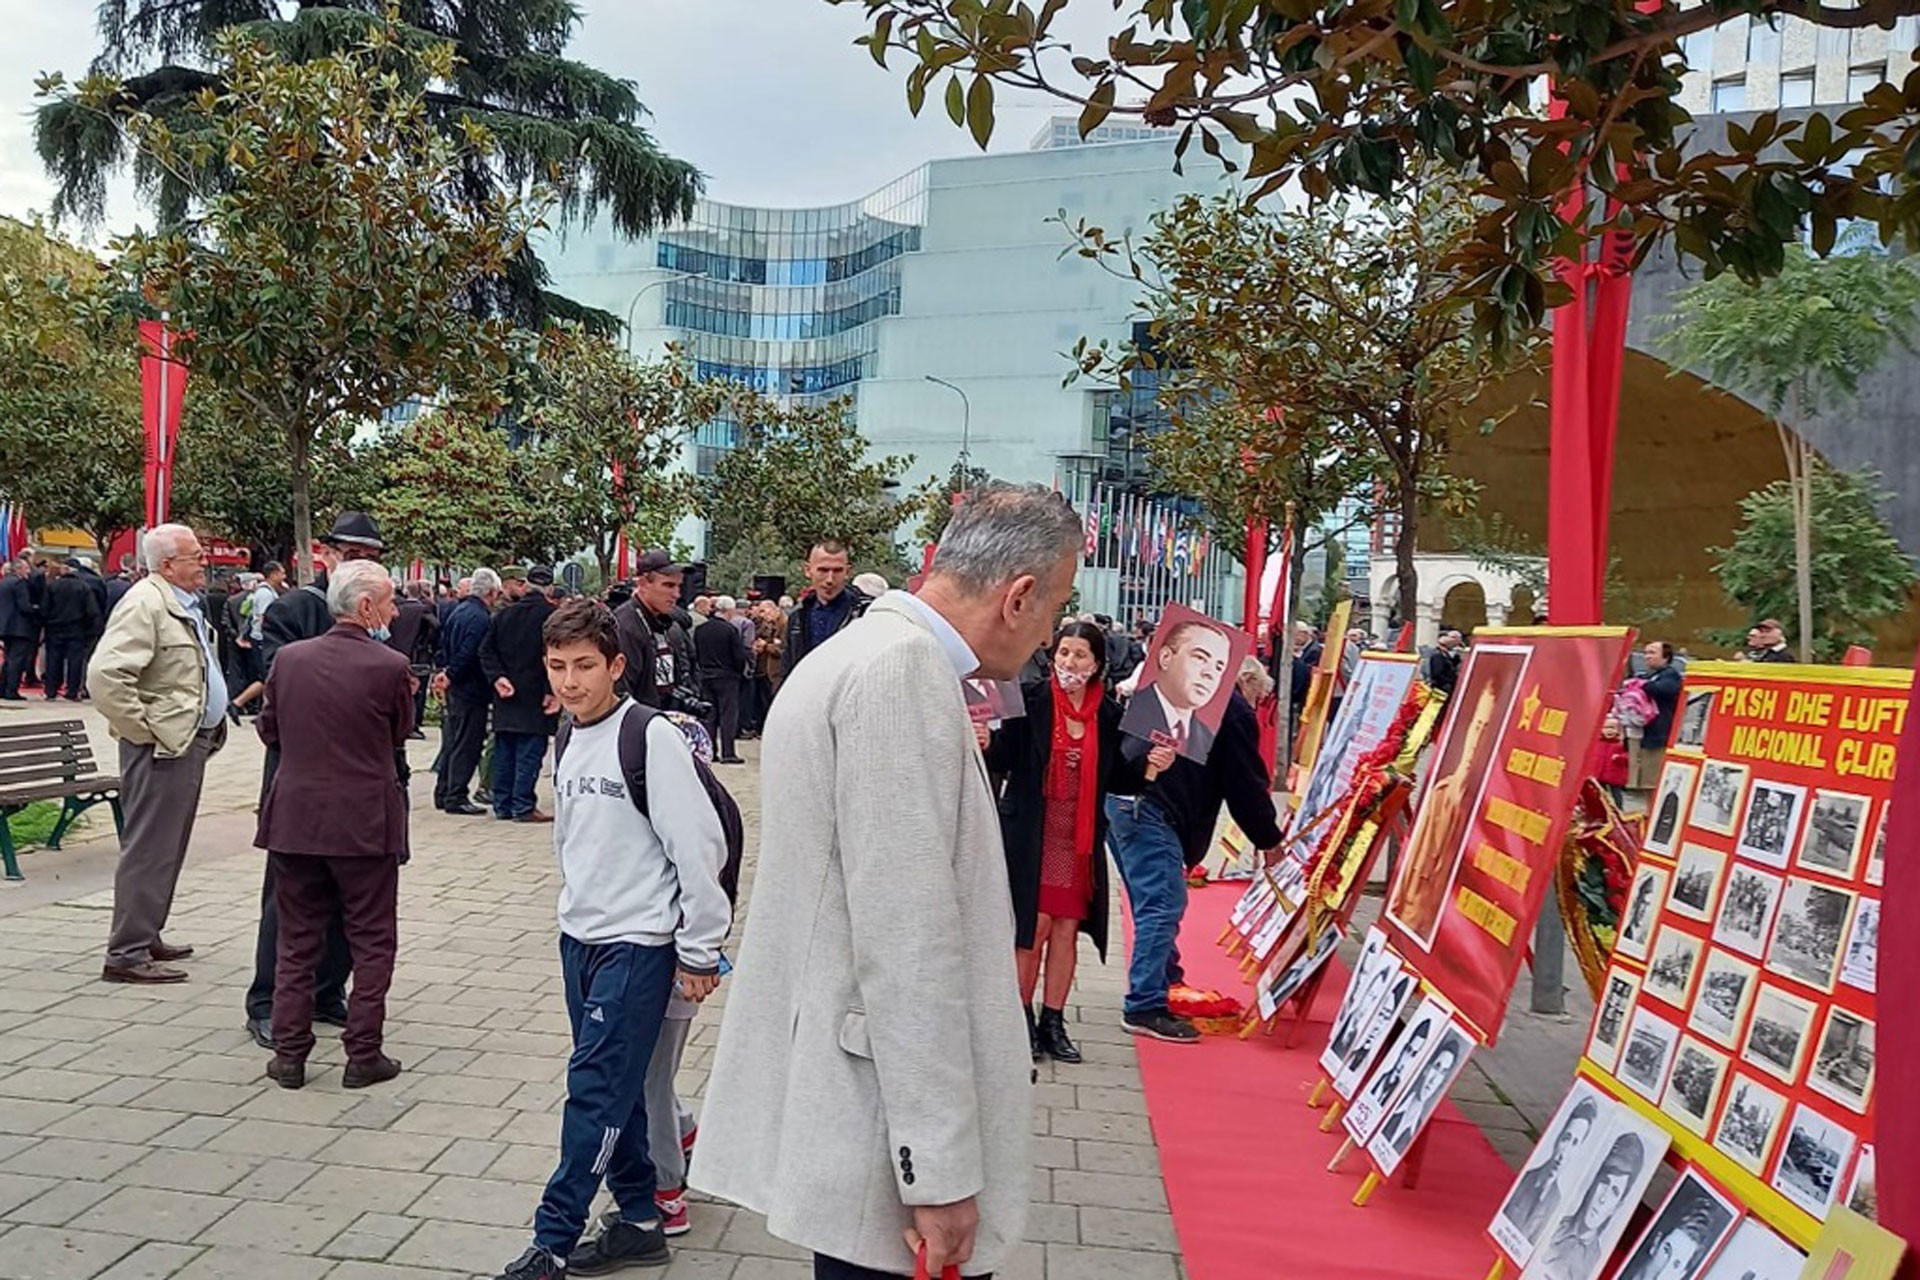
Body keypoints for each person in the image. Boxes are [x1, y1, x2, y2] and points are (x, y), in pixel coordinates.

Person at [695, 485, 1081, 1279]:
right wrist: (936, 1169)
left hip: (862, 1093)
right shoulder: (897, 671)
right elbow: (908, 937)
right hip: (880, 1116)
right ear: (1019, 596)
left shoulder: (863, 654)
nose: (1051, 636)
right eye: (1058, 607)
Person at [490, 599, 729, 1280]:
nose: (570, 682)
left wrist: (699, 948)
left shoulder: (649, 736)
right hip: (581, 937)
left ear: (617, 666)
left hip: (639, 944)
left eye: (585, 666)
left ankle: (552, 1241)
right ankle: (640, 1221)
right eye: (558, 666)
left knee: (593, 1092)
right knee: (618, 1090)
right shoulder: (567, 735)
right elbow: (576, 840)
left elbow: (699, 846)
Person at [255, 560, 412, 1091]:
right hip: (364, 821)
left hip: (296, 817)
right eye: (389, 602)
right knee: (371, 939)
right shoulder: (390, 666)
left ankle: (290, 1053)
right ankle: (362, 1052)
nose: (394, 611)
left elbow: (270, 729)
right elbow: (399, 732)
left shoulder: (290, 660)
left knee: (297, 939)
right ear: (366, 607)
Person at [985, 621, 1161, 1064]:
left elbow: (1119, 777)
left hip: (1078, 843)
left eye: (1080, 656)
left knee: (1065, 932)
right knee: (1033, 930)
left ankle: (1053, 1021)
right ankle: (1018, 1019)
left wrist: (1153, 766)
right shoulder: (1030, 702)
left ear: (1097, 664)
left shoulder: (1109, 715)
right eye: (1064, 653)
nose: (1070, 663)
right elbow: (1005, 757)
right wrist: (987, 742)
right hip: (1033, 835)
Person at [246, 516, 386, 1046]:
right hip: (303, 775)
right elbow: (275, 691)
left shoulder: (379, 612)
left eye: (369, 554)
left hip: (363, 781)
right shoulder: (295, 609)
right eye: (350, 553)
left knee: (355, 899)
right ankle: (268, 1001)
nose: (360, 562)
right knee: (288, 898)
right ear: (326, 554)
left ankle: (328, 990)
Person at [1108, 654, 1285, 1042]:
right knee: (1162, 903)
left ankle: (1164, 979)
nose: (1257, 705)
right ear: (1248, 683)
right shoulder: (1233, 708)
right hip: (1153, 808)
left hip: (1123, 802)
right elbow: (1244, 784)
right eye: (1258, 696)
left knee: (1151, 900)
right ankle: (1144, 1005)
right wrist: (1270, 839)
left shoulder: (1175, 685)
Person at [88, 524, 229, 984]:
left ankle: (145, 933)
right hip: (162, 748)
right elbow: (106, 677)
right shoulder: (145, 603)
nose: (203, 561)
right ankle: (125, 953)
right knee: (150, 848)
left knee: (167, 846)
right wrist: (146, 731)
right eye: (194, 555)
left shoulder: (177, 602)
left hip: (184, 743)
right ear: (168, 564)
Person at [481, 565, 560, 822]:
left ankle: (503, 804)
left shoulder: (504, 615)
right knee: (530, 752)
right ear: (549, 587)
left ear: (526, 585)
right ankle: (523, 805)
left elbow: (486, 651)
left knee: (505, 749)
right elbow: (556, 657)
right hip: (537, 694)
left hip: (507, 693)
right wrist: (553, 690)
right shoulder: (553, 617)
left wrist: (498, 678)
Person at [433, 567, 502, 815]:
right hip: (470, 688)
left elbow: (444, 643)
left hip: (456, 687)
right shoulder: (480, 617)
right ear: (492, 592)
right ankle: (456, 796)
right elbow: (470, 652)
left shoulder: (458, 610)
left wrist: (444, 671)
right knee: (467, 744)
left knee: (453, 740)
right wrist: (451, 674)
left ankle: (443, 791)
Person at [1535, 1134, 1646, 1280]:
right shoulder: (1552, 1224)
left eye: (1614, 1192)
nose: (1603, 1198)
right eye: (1604, 1182)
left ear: (1617, 1206)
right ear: (1593, 1183)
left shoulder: (1595, 1260)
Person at [1127, 619, 1232, 760]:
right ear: (1166, 657)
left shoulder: (1207, 735)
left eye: (1219, 667)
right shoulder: (1132, 713)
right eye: (1200, 658)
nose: (1209, 673)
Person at [612, 551, 702, 715]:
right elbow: (620, 692)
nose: (676, 594)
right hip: (638, 729)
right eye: (668, 585)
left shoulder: (665, 623)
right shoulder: (626, 625)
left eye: (678, 586)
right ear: (644, 583)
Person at [1503, 1096, 1599, 1247]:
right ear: (1558, 1138)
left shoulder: (1556, 1202)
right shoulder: (1526, 1179)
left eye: (1575, 1143)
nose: (1564, 1152)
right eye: (1566, 1138)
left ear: (1578, 1150)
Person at [781, 539, 871, 675]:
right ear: (808, 570)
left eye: (837, 571)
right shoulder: (797, 617)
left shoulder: (866, 614)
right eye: (823, 570)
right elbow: (787, 670)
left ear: (848, 572)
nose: (830, 579)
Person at [693, 595, 749, 765]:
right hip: (727, 677)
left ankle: (710, 751)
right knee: (728, 715)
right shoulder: (730, 630)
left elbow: (695, 652)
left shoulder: (701, 629)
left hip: (706, 675)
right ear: (729, 610)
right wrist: (739, 672)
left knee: (710, 715)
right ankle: (728, 752)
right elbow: (738, 656)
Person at [230, 562, 285, 717]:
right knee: (267, 676)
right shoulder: (265, 594)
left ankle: (256, 707)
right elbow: (263, 617)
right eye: (282, 573)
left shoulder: (268, 592)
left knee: (268, 677)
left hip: (261, 638)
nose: (284, 576)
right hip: (262, 639)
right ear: (273, 574)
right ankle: (238, 703)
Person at [42, 558, 102, 701]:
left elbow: (44, 608)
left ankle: (51, 690)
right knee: (75, 661)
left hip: (54, 627)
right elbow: (92, 610)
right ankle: (72, 691)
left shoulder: (52, 586)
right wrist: (90, 628)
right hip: (76, 628)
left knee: (53, 659)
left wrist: (45, 623)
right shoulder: (83, 587)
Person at [388, 580, 441, 739]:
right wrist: (428, 642)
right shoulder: (424, 610)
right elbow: (436, 626)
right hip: (419, 655)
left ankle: (400, 723)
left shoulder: (397, 609)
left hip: (398, 652)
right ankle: (413, 724)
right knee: (418, 693)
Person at [1631, 641, 1683, 792]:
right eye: (1646, 653)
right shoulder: (1647, 675)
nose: (1647, 657)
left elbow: (1665, 690)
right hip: (1642, 731)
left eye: (1652, 653)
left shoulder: (1670, 675)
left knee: (1652, 779)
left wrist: (1641, 685)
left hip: (1658, 732)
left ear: (1666, 657)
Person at [0, 556, 38, 700]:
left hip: (5, 627)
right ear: (19, 569)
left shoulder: (3, 582)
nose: (28, 572)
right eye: (26, 568)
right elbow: (24, 606)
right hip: (19, 627)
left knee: (8, 659)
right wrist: (35, 609)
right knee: (17, 660)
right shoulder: (19, 583)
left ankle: (2, 688)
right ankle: (11, 690)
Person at [1427, 628, 1464, 696]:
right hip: (1441, 690)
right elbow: (1437, 673)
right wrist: (1451, 680)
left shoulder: (1446, 655)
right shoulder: (1438, 655)